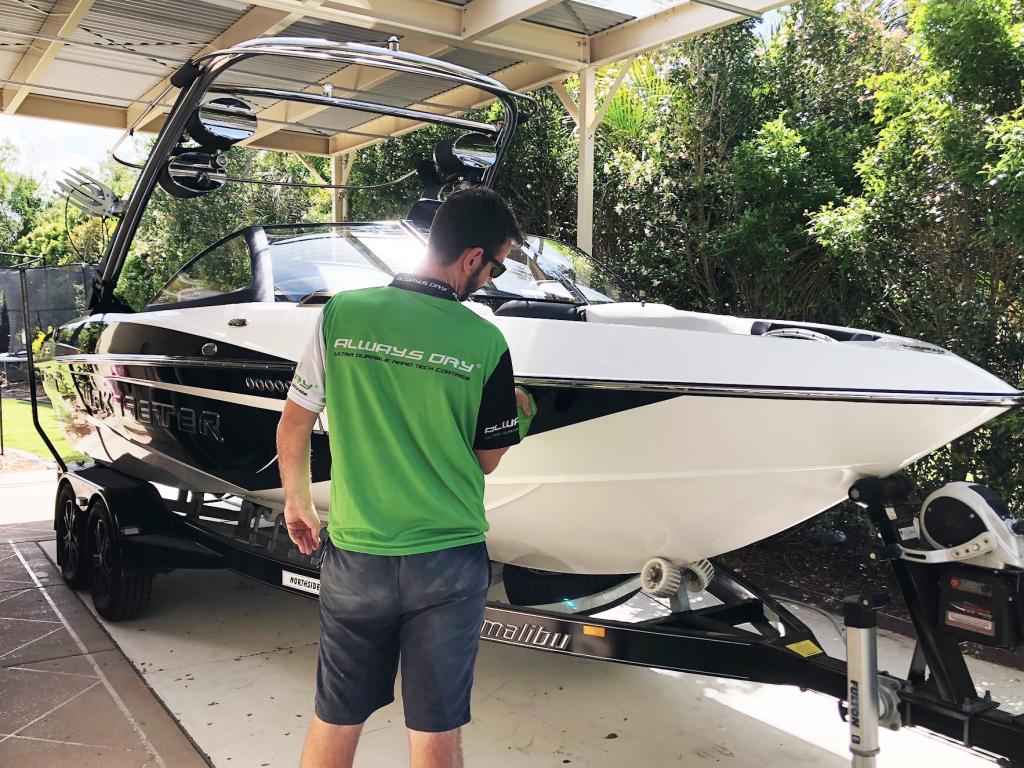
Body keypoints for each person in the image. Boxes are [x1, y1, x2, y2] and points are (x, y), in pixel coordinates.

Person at [276, 187, 534, 768]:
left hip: (357, 557)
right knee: (435, 735)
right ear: (471, 258)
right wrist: (521, 409)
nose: (491, 280)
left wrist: (299, 503)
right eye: (496, 265)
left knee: (335, 720)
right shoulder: (486, 341)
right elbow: (487, 458)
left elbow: (293, 425)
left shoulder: (342, 314)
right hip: (447, 560)